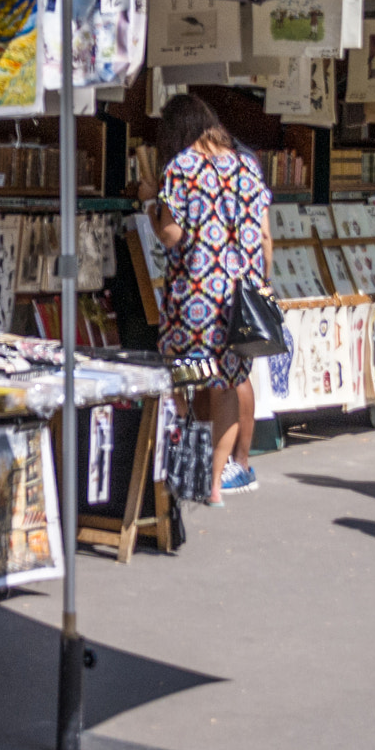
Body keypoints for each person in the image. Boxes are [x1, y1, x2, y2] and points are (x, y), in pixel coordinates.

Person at [150, 94, 272, 505]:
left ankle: (179, 470)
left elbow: (171, 235)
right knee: (226, 385)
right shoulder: (248, 166)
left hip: (196, 295)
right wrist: (263, 283)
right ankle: (215, 485)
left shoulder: (179, 168)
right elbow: (266, 237)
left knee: (185, 377)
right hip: (241, 299)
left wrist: (151, 208)